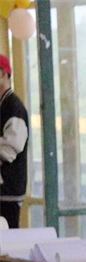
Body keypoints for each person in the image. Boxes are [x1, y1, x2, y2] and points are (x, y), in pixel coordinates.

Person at [0, 53, 29, 228]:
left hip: (7, 191)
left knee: (7, 238)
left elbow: (9, 149)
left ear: (3, 74)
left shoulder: (13, 107)